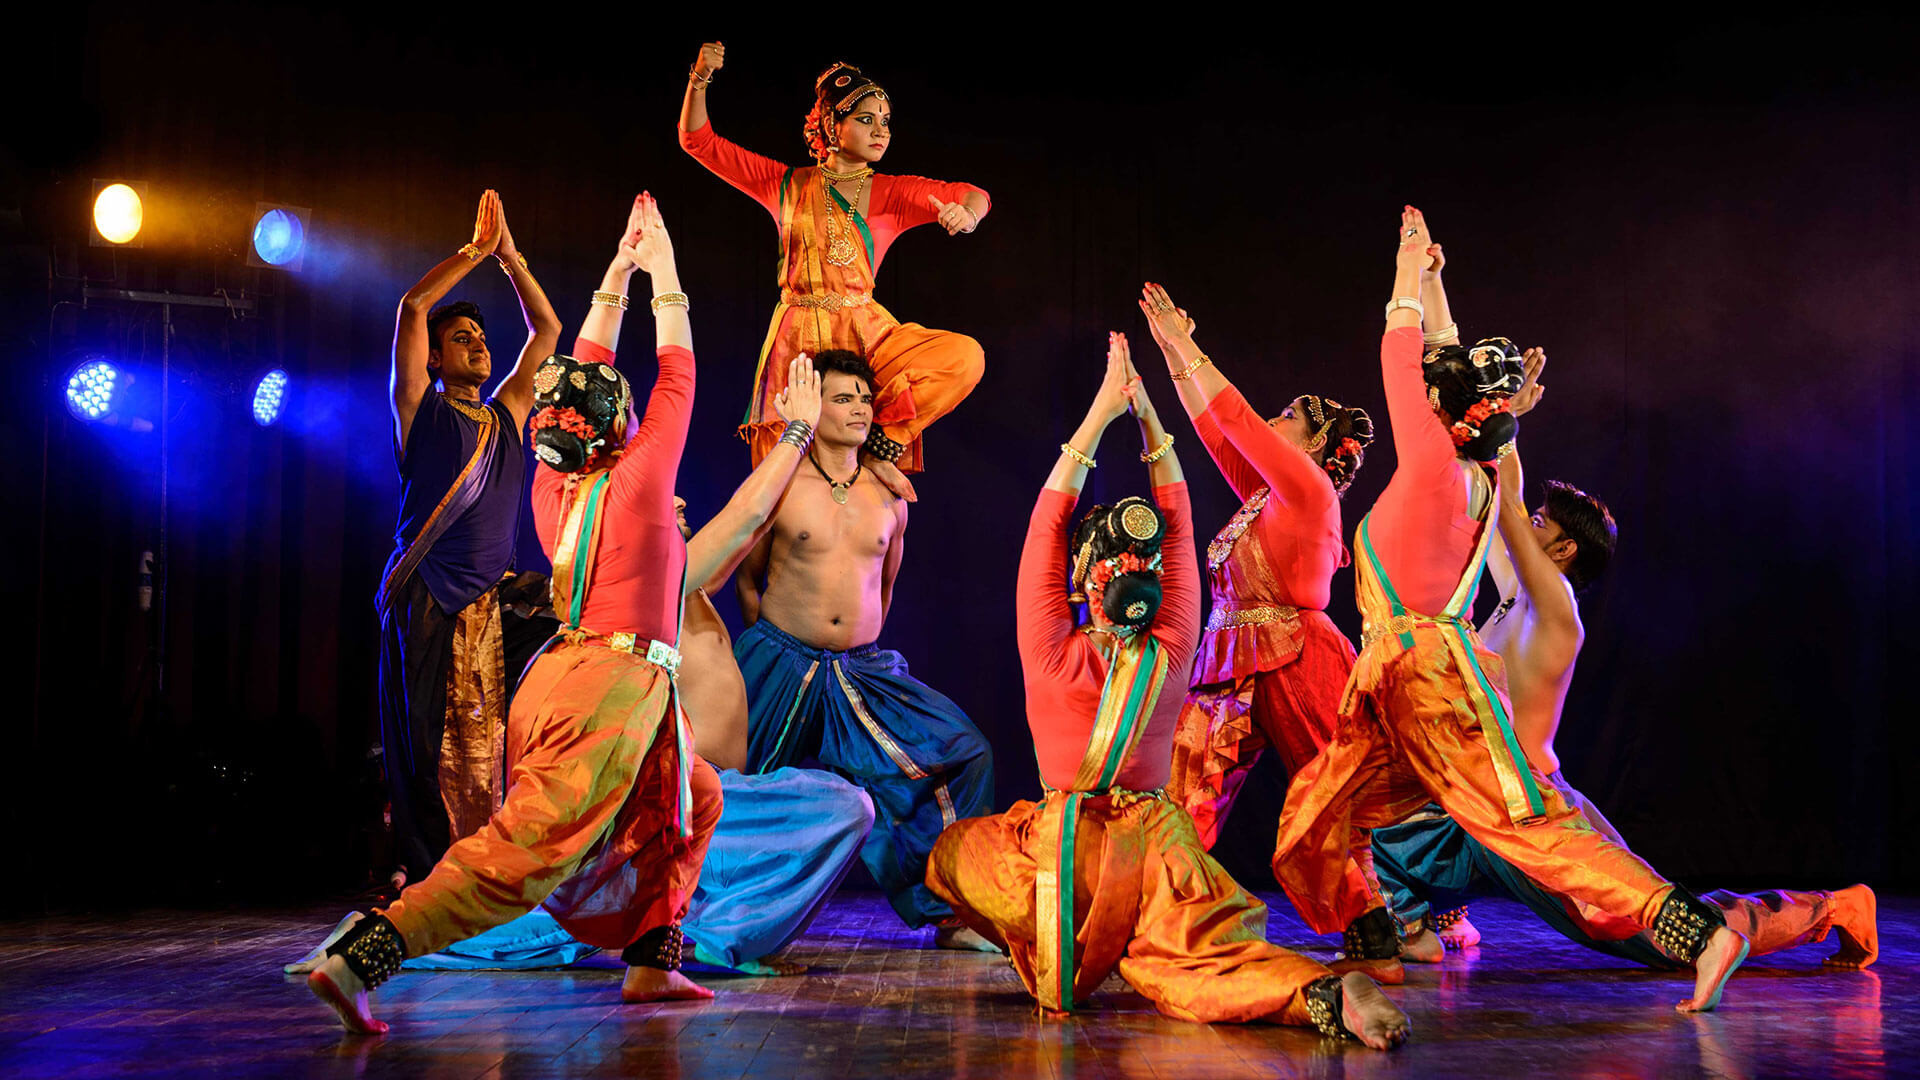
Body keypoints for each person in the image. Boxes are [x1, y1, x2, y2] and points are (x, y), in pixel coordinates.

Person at [1270, 206, 1749, 1015]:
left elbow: (1400, 349)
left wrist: (1405, 270)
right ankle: (1379, 934)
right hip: (1387, 683)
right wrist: (1437, 284)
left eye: (1432, 390)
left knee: (1524, 827)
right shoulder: (1487, 477)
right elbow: (1454, 375)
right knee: (1312, 818)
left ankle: (1700, 933)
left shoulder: (1437, 465)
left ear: (1443, 412)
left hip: (1426, 677)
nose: (1418, 390)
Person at [304, 194, 723, 1034]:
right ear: (622, 428)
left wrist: (616, 270)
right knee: (522, 850)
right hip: (606, 688)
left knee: (692, 799)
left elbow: (587, 369)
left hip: (584, 679)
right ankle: (365, 954)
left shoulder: (551, 481)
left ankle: (651, 963)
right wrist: (662, 265)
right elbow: (676, 369)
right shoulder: (640, 488)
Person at [926, 333, 1407, 1049]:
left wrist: (1111, 406)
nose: (1272, 423)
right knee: (1193, 964)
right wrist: (1155, 418)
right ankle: (1313, 991)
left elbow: (1047, 520)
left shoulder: (1049, 649)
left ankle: (1074, 940)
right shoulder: (1176, 648)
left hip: (1065, 849)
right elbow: (1180, 514)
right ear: (1155, 587)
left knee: (952, 854)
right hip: (1159, 848)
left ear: (1080, 583)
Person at [1367, 347, 1878, 973]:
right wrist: (1493, 406)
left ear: (1563, 549)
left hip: (1538, 813)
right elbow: (1507, 499)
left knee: (1663, 939)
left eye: (1542, 524)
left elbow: (1504, 498)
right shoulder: (1518, 594)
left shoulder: (1554, 610)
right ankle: (1433, 917)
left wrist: (1502, 415)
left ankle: (1834, 909)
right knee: (1378, 836)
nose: (1528, 522)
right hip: (1491, 806)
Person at [1133, 285, 1382, 960]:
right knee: (1184, 788)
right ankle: (1162, 917)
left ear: (1316, 446)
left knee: (1328, 803)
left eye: (1288, 416)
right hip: (1232, 662)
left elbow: (1236, 419)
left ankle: (1381, 926)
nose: (1273, 420)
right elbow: (1220, 432)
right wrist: (1170, 353)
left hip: (1300, 660)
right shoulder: (1267, 497)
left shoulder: (1307, 490)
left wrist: (1187, 345)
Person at [732, 348, 994, 947]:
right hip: (779, 657)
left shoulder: (891, 496)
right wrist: (773, 651)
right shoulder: (779, 483)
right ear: (810, 406)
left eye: (864, 399)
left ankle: (950, 913)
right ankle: (711, 912)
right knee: (727, 781)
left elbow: (888, 584)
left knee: (965, 751)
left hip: (862, 670)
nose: (857, 409)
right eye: (841, 398)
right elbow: (746, 579)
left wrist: (852, 639)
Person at [678, 41, 989, 479]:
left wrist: (968, 214)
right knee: (783, 485)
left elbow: (971, 194)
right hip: (797, 341)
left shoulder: (892, 192)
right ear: (832, 126)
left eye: (885, 121)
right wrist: (700, 79)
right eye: (866, 120)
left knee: (964, 357)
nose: (881, 131)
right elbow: (698, 142)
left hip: (867, 335)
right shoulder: (783, 184)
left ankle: (884, 440)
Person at [377, 189, 561, 888]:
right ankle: (425, 873)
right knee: (426, 746)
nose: (479, 345)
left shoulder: (507, 416)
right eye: (463, 339)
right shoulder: (418, 411)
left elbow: (545, 332)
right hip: (428, 596)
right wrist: (474, 254)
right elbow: (412, 309)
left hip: (493, 606)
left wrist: (512, 260)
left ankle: (494, 863)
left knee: (502, 739)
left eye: (482, 339)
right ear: (432, 360)